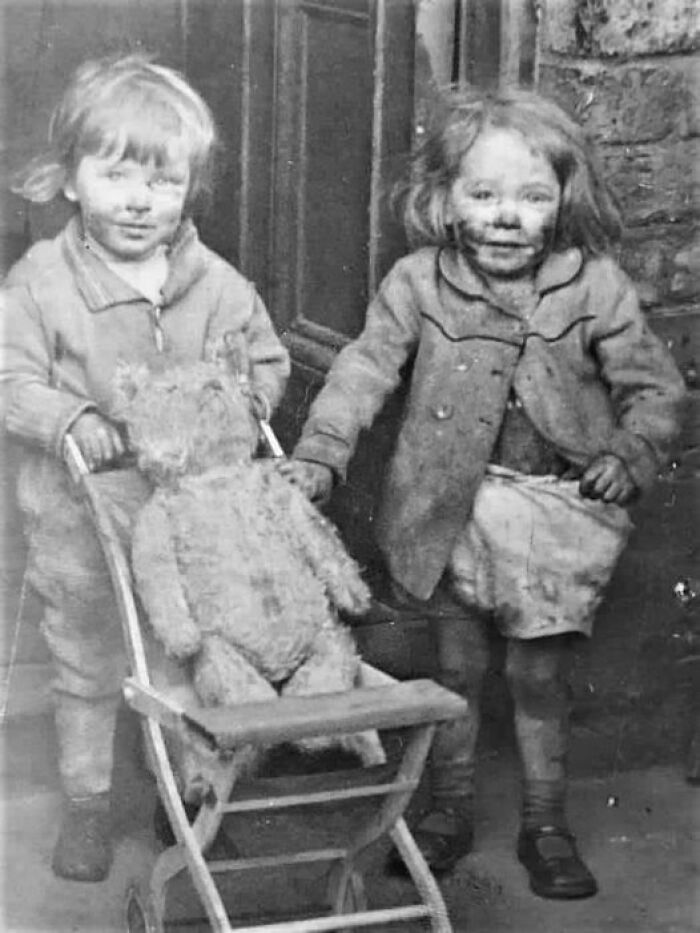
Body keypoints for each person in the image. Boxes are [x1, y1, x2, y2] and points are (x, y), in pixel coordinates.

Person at [282, 88, 686, 899]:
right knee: (456, 667)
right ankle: (450, 808)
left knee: (539, 676)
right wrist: (320, 457)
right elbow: (362, 371)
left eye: (532, 197)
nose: (507, 216)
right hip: (447, 515)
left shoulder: (593, 286)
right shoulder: (417, 283)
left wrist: (629, 451)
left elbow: (658, 391)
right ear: (444, 199)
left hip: (553, 513)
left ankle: (545, 821)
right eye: (484, 194)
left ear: (562, 202)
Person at [1, 53, 290, 882]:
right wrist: (70, 415)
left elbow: (264, 364)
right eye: (116, 176)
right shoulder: (42, 283)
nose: (137, 201)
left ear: (189, 191)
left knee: (182, 654)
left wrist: (239, 404)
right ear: (69, 181)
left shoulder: (215, 284)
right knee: (88, 662)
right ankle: (88, 803)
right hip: (79, 517)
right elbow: (8, 377)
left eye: (162, 184)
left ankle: (185, 799)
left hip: (190, 517)